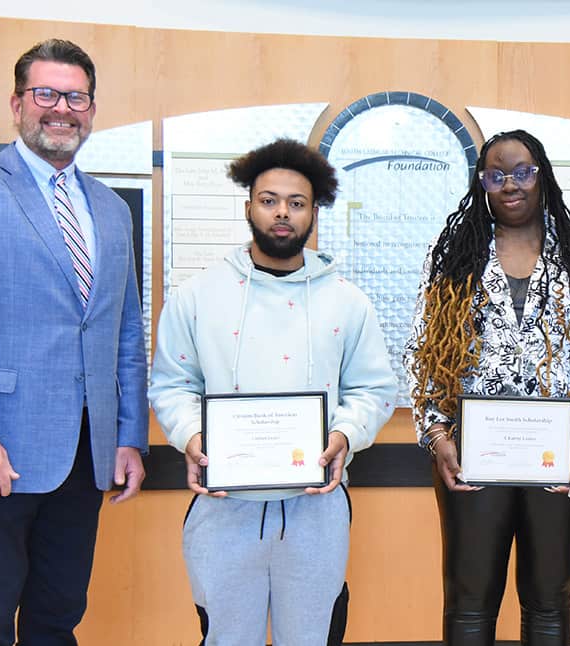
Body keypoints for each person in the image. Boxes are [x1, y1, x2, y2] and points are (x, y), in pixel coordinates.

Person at [0, 38, 148, 645]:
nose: (62, 109)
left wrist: (128, 436)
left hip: (85, 455)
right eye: (46, 93)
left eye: (76, 97)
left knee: (56, 621)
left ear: (91, 109)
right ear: (17, 103)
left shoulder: (111, 209)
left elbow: (125, 331)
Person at [149, 138, 396, 646]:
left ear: (314, 213)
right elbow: (173, 384)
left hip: (315, 507)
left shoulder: (347, 302)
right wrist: (192, 436)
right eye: (269, 200)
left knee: (310, 636)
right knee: (225, 637)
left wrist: (345, 435)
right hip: (223, 505)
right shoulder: (197, 296)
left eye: (296, 202)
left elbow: (373, 389)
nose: (282, 212)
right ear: (248, 208)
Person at [403, 129, 570, 646]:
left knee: (550, 600)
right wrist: (436, 436)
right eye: (496, 175)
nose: (511, 184)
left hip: (559, 457)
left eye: (523, 172)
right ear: (481, 183)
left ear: (541, 175)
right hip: (470, 456)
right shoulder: (451, 250)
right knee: (468, 601)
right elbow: (422, 351)